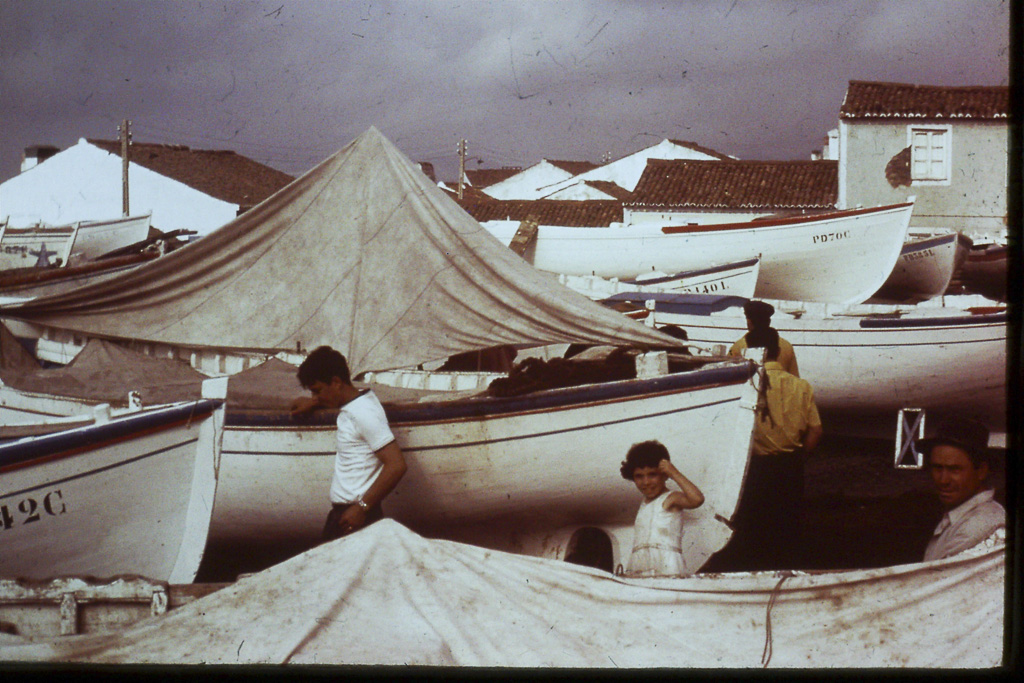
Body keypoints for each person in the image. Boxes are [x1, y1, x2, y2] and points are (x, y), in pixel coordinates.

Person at [715, 326, 822, 571]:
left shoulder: (745, 385)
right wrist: (799, 457)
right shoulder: (801, 386)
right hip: (790, 464)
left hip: (754, 466)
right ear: (776, 350)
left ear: (751, 350)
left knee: (752, 525)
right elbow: (816, 431)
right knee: (788, 525)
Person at [291, 345, 407, 542]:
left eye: (317, 391)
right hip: (347, 513)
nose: (314, 396)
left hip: (356, 515)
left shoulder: (363, 413)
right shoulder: (359, 400)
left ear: (336, 382)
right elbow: (296, 405)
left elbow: (396, 465)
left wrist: (361, 508)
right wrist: (315, 401)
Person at [920, 416, 1005, 561]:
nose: (943, 480)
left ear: (981, 471)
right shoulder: (961, 515)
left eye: (955, 469)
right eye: (937, 467)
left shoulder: (978, 525)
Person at [620, 440, 705, 577]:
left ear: (665, 474)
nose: (646, 482)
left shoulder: (671, 498)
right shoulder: (644, 505)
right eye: (639, 476)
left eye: (652, 474)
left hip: (667, 566)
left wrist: (674, 473)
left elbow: (697, 499)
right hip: (639, 565)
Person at [729, 299, 799, 376]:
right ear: (769, 321)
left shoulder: (739, 346)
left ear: (749, 321)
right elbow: (794, 375)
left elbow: (728, 375)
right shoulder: (787, 346)